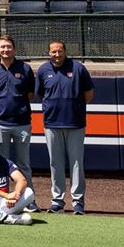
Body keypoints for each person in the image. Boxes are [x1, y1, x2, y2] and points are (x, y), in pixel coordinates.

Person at [36, 40, 94, 215]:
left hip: (75, 123)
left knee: (77, 163)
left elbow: (89, 95)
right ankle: (57, 201)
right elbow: (40, 94)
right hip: (52, 124)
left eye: (60, 51)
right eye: (53, 52)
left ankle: (78, 202)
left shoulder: (78, 68)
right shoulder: (43, 70)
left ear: (65, 51)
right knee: (55, 163)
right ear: (49, 53)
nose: (57, 54)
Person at [0, 35, 37, 211]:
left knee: (23, 164)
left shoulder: (25, 68)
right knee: (1, 164)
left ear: (14, 49)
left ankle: (28, 201)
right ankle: (4, 199)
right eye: (2, 47)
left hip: (22, 124)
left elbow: (31, 94)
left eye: (9, 47)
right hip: (0, 124)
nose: (6, 50)